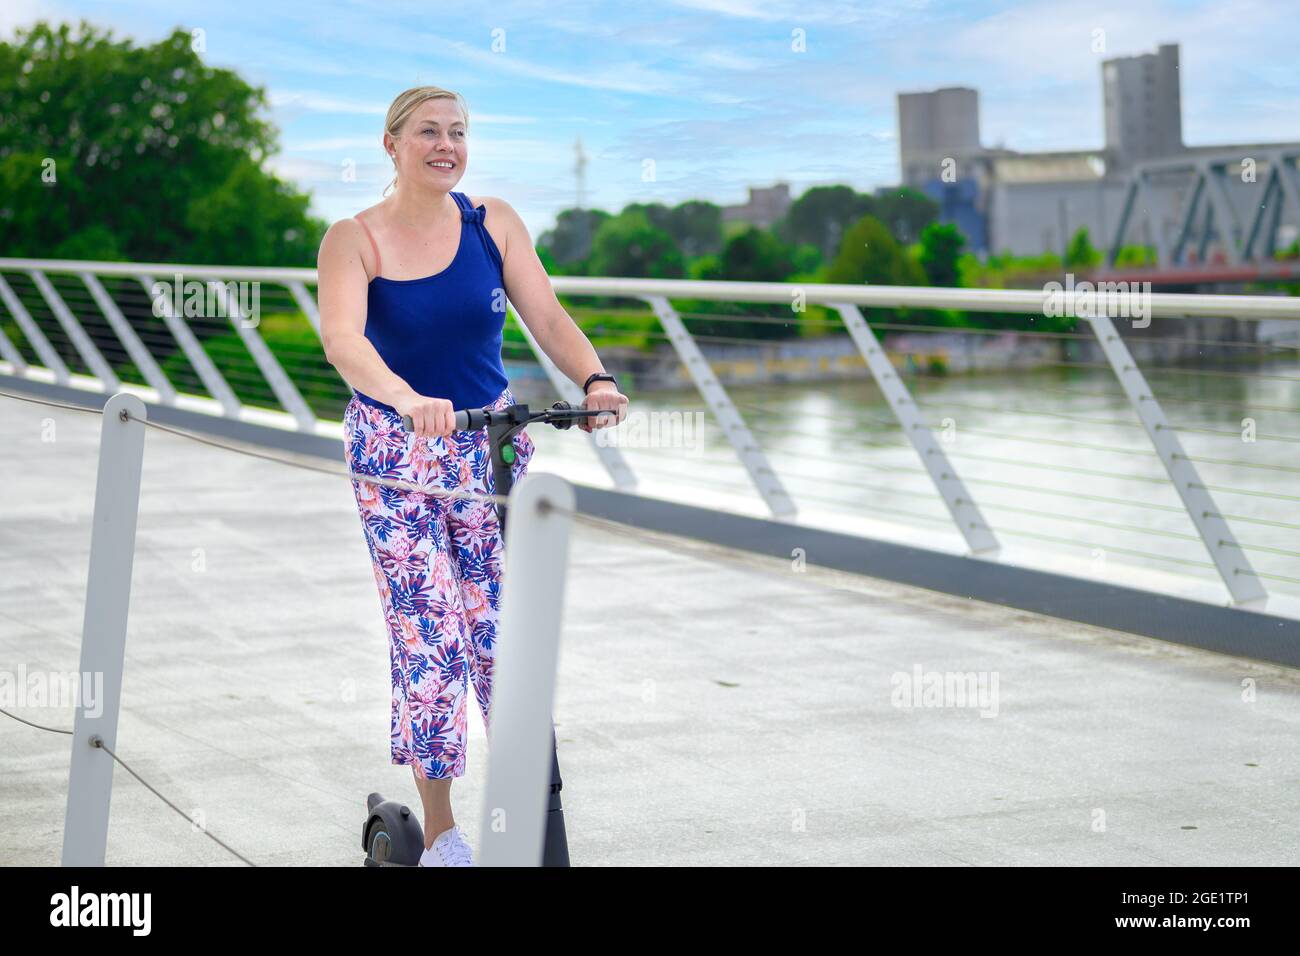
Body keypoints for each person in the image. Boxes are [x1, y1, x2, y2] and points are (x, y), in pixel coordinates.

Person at [317, 85, 628, 867]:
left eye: (458, 132)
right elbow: (343, 342)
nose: (446, 144)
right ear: (391, 143)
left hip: (489, 449)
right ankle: (444, 834)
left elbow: (547, 317)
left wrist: (593, 380)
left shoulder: (493, 226)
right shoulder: (353, 240)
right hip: (399, 457)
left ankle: (525, 814)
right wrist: (405, 398)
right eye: (428, 132)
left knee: (502, 639)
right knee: (433, 643)